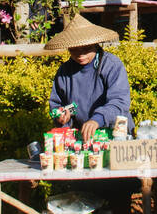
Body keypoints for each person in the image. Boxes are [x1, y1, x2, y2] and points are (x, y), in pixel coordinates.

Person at [46, 14, 132, 142]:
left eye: (86, 48)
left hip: (117, 134)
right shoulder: (64, 71)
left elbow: (120, 102)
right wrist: (60, 116)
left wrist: (97, 119)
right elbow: (57, 103)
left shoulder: (111, 65)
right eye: (75, 50)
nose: (80, 54)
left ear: (95, 45)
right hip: (84, 137)